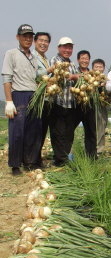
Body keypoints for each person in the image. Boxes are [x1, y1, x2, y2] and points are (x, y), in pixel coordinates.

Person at [1, 24, 41, 175]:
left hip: (33, 95)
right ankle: (15, 165)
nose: (28, 39)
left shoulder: (34, 57)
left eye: (30, 36)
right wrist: (9, 101)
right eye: (24, 36)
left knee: (32, 130)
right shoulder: (11, 54)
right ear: (18, 37)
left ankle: (29, 161)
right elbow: (6, 78)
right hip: (19, 95)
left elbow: (36, 78)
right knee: (17, 132)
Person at [49, 37, 79, 166]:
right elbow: (58, 77)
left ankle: (65, 157)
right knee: (58, 132)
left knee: (68, 133)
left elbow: (75, 80)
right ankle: (60, 160)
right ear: (59, 48)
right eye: (65, 47)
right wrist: (73, 77)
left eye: (70, 47)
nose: (68, 50)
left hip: (70, 103)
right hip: (58, 102)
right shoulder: (55, 60)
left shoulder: (72, 64)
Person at [33, 32, 52, 167]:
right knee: (34, 131)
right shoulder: (31, 56)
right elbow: (33, 73)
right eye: (41, 40)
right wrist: (49, 70)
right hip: (36, 98)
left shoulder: (45, 58)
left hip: (45, 99)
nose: (43, 43)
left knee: (42, 130)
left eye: (46, 41)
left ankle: (37, 158)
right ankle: (32, 160)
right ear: (35, 41)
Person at [75, 50, 97, 158]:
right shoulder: (74, 72)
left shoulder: (92, 73)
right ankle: (67, 155)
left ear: (89, 60)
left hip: (90, 104)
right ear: (78, 60)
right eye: (82, 58)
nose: (84, 60)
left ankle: (91, 155)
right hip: (76, 104)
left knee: (91, 131)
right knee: (70, 130)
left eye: (86, 58)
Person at [92, 58, 108, 155]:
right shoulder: (89, 78)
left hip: (103, 106)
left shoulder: (106, 79)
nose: (98, 68)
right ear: (93, 68)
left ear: (103, 68)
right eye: (96, 66)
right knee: (94, 127)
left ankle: (100, 149)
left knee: (103, 125)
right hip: (92, 106)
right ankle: (93, 149)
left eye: (100, 67)